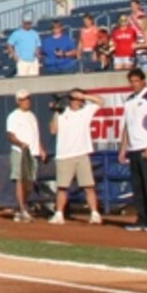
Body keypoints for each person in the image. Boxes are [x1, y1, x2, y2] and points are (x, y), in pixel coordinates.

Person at [48, 89, 103, 225]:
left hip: (82, 154)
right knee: (62, 187)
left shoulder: (86, 111)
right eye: (73, 99)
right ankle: (59, 213)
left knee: (88, 186)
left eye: (78, 99)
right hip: (64, 155)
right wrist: (56, 111)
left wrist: (83, 96)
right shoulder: (62, 113)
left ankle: (95, 214)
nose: (76, 101)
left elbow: (101, 101)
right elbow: (53, 130)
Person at [119, 68, 147, 230]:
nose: (134, 84)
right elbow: (127, 126)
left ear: (143, 81)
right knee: (138, 186)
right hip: (133, 148)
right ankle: (142, 217)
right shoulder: (129, 100)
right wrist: (123, 148)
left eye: (136, 81)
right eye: (131, 81)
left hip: (145, 146)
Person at [7, 90, 43, 222]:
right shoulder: (13, 116)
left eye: (28, 98)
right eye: (23, 99)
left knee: (29, 183)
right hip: (20, 152)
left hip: (33, 153)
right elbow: (10, 135)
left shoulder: (32, 116)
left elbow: (35, 135)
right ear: (18, 101)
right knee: (20, 181)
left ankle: (19, 207)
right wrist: (20, 144)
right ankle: (23, 209)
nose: (26, 101)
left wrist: (41, 149)